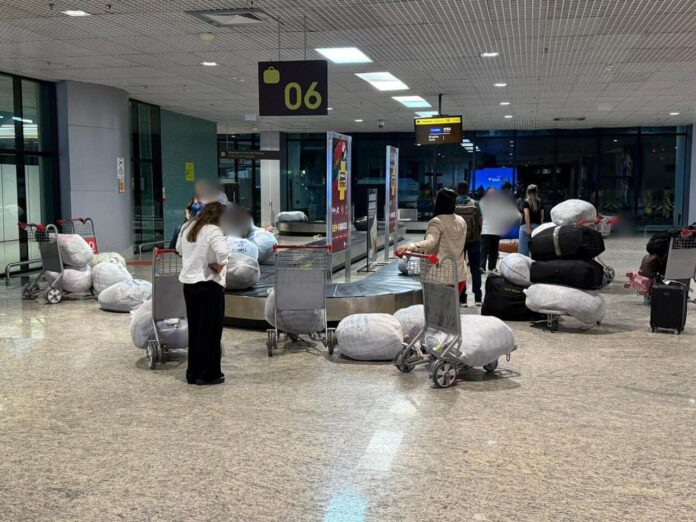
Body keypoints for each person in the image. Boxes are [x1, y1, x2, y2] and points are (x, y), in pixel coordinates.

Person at [176, 202, 230, 386]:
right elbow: (223, 254)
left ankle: (193, 372)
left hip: (189, 286)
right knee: (211, 331)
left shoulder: (188, 226)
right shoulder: (213, 230)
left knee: (195, 330)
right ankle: (208, 374)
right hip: (209, 285)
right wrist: (220, 265)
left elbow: (178, 249)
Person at [397, 188, 470, 305]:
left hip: (440, 276)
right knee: (450, 312)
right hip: (459, 275)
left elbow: (430, 242)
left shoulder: (437, 221)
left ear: (439, 202)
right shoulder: (461, 220)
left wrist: (412, 246)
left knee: (436, 314)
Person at [479, 188, 521, 273]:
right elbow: (480, 218)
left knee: (494, 250)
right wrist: (480, 228)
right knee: (483, 249)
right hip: (485, 230)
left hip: (496, 230)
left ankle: (492, 267)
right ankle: (481, 266)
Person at [455, 181, 482, 307]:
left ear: (457, 190)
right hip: (474, 240)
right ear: (467, 190)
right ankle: (478, 298)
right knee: (475, 269)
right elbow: (480, 221)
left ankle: (462, 299)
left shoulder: (453, 203)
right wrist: (478, 233)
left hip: (459, 241)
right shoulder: (475, 203)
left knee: (460, 268)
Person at [518, 184, 544, 257]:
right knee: (536, 249)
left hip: (525, 227)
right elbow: (542, 216)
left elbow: (527, 215)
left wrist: (528, 227)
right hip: (537, 227)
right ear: (536, 192)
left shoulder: (525, 202)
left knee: (523, 252)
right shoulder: (540, 202)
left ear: (527, 192)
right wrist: (541, 228)